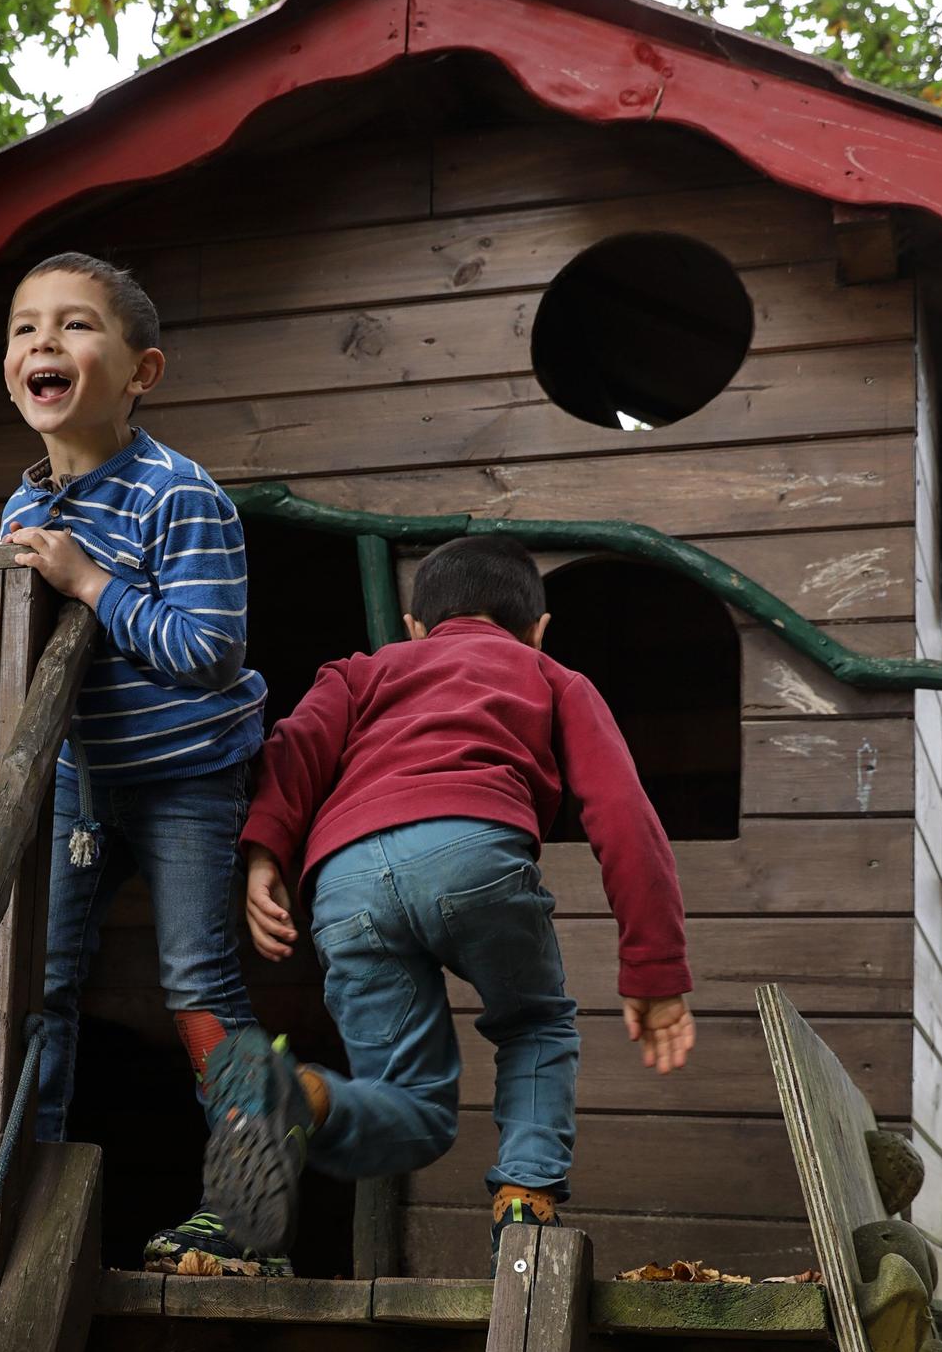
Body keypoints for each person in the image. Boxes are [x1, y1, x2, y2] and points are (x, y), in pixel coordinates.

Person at [0, 251, 279, 1267]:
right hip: (76, 779)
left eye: (72, 326)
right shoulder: (19, 512)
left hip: (187, 771)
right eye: (23, 329)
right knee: (34, 980)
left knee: (197, 980)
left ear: (141, 372)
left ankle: (244, 1212)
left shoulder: (176, 497)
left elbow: (206, 651)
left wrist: (93, 583)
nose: (42, 345)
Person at [207, 535, 696, 1266]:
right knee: (535, 1022)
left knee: (414, 1105)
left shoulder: (361, 671)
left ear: (412, 627)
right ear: (539, 627)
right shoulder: (551, 674)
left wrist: (264, 853)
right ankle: (526, 1202)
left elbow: (295, 744)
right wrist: (654, 976)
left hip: (344, 881)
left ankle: (299, 1094)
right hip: (475, 852)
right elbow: (626, 816)